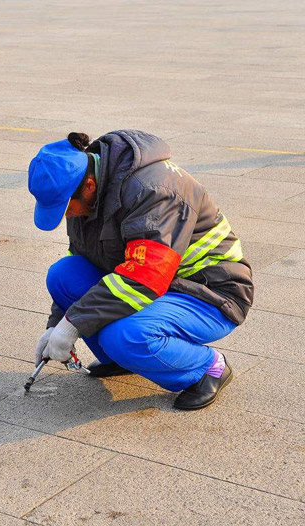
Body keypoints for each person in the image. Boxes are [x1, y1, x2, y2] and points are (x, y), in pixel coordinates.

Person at [27, 130, 253, 409]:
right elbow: (83, 257)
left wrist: (72, 324)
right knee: (64, 275)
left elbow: (145, 276)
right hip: (160, 282)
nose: (66, 215)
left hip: (208, 291)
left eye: (65, 208)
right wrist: (56, 325)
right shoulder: (86, 192)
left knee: (123, 336)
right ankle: (124, 359)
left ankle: (207, 367)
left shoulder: (154, 191)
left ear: (88, 186)